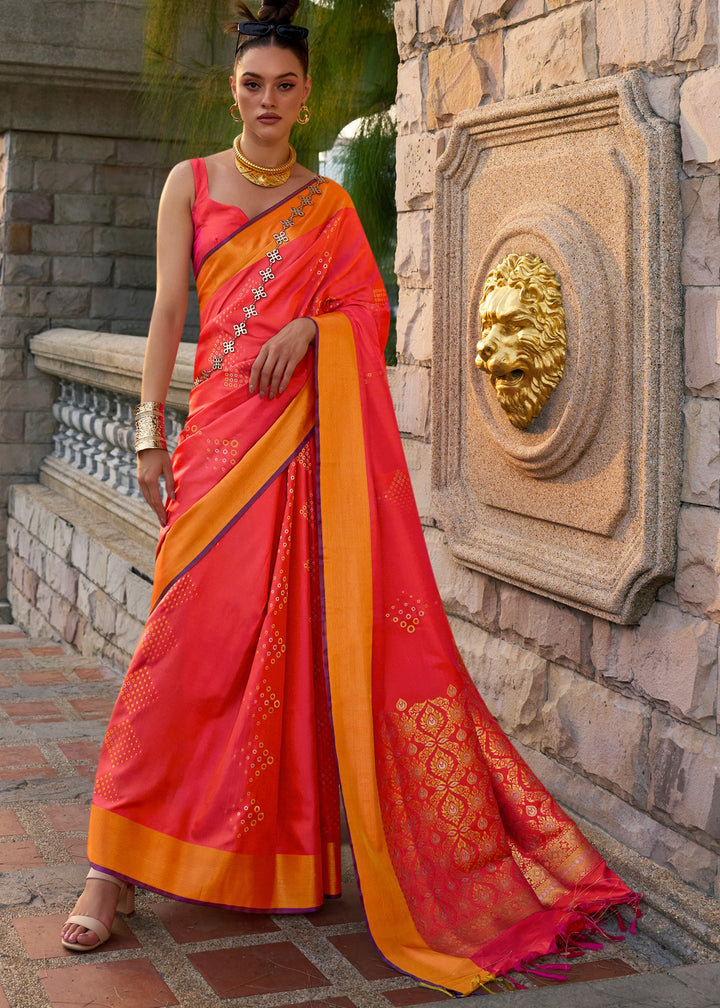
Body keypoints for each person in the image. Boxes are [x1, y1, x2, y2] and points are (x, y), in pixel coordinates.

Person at [61, 0, 639, 993]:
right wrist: (150, 433)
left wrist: (315, 334)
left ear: (307, 94)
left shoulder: (326, 213)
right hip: (214, 455)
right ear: (233, 90)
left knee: (281, 658)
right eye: (253, 84)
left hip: (294, 457)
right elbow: (165, 315)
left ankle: (277, 857)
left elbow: (369, 308)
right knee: (178, 650)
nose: (269, 102)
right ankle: (106, 876)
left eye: (286, 85)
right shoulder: (188, 184)